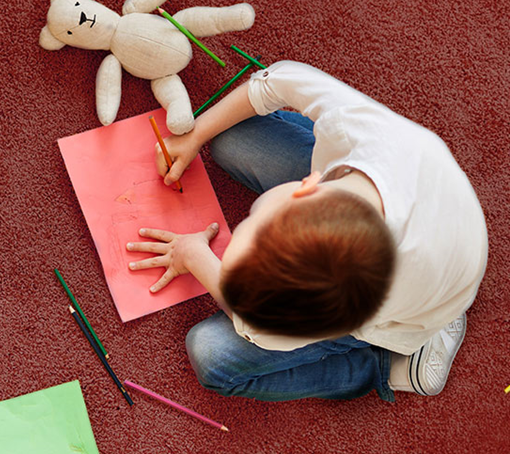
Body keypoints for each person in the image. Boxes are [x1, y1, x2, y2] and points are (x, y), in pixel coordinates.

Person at [127, 61, 487, 401]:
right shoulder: (357, 127)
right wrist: (197, 134)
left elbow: (253, 322)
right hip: (440, 225)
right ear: (307, 187)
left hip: (420, 305)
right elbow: (280, 78)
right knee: (228, 138)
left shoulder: (332, 305)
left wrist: (194, 255)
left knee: (211, 356)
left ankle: (379, 365)